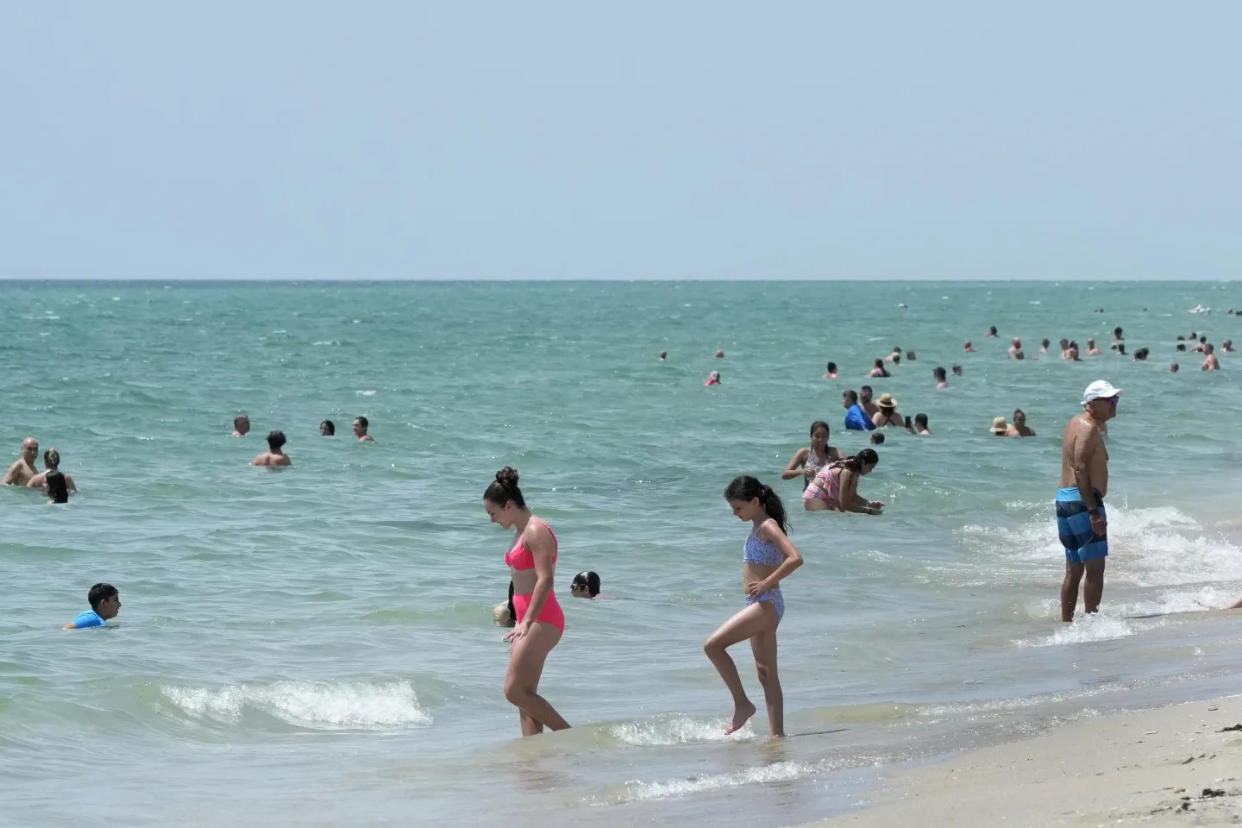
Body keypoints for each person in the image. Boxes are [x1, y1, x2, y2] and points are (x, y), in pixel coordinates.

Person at [705, 476, 803, 736]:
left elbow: (796, 558)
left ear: (755, 502)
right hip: (761, 603)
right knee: (766, 674)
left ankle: (742, 704)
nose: (735, 514)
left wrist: (767, 583)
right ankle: (777, 737)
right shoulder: (758, 526)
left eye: (739, 508)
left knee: (713, 646)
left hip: (766, 603)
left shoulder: (768, 526)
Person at [484, 466, 569, 736]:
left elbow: (545, 580)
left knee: (514, 691)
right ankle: (535, 760)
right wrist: (517, 616)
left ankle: (568, 736)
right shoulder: (520, 531)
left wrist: (527, 621)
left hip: (542, 619)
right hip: (526, 619)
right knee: (525, 698)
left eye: (493, 513)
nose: (492, 520)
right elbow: (521, 581)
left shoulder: (537, 531)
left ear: (508, 505)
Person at [1057, 380, 1121, 622]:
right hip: (1084, 501)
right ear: (1092, 404)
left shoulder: (1077, 423)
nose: (1115, 405)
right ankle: (1091, 625)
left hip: (1066, 499)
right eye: (1111, 401)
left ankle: (1067, 625)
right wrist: (1093, 512)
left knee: (1074, 570)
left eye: (1116, 399)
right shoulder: (1089, 427)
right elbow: (1081, 467)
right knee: (1095, 569)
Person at [802, 450, 883, 514]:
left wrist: (870, 504)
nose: (871, 470)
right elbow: (845, 504)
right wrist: (869, 511)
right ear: (863, 463)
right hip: (814, 496)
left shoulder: (854, 470)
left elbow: (853, 496)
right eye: (871, 467)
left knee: (841, 518)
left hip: (827, 497)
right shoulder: (847, 472)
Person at [782, 421, 843, 488]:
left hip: (829, 495)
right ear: (811, 436)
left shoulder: (834, 452)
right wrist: (802, 471)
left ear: (828, 438)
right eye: (817, 436)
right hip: (810, 495)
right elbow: (785, 475)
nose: (820, 439)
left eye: (824, 436)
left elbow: (849, 467)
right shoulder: (804, 453)